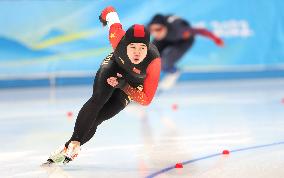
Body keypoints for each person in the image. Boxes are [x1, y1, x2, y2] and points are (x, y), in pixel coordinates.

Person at [43, 6, 161, 165]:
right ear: (125, 45)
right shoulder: (117, 38)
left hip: (130, 83)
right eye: (132, 47)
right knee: (98, 99)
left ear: (148, 48)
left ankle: (68, 146)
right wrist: (103, 17)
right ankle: (75, 142)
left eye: (142, 48)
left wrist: (124, 85)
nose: (137, 52)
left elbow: (146, 100)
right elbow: (111, 12)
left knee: (98, 118)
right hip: (114, 67)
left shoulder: (154, 62)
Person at [148, 14, 224, 73]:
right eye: (152, 30)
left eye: (158, 29)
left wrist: (216, 39)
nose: (155, 33)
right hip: (165, 39)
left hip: (183, 41)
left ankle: (172, 70)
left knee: (167, 61)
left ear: (165, 27)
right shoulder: (154, 31)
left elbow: (201, 31)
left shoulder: (180, 29)